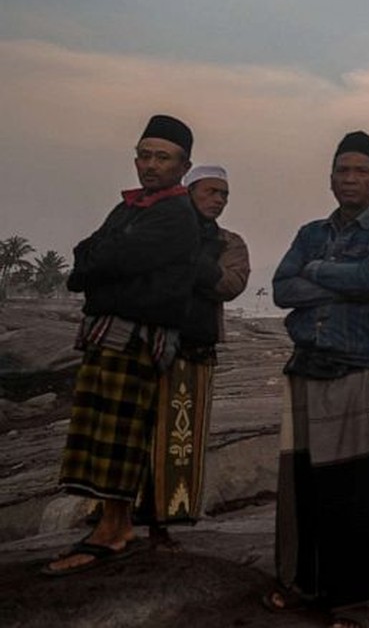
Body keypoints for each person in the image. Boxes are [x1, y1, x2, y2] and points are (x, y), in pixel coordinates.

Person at [264, 131, 369, 628]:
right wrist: (346, 282)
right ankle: (305, 582)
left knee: (356, 486)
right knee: (304, 484)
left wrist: (320, 274)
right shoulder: (310, 232)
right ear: (330, 178)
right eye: (342, 171)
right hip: (307, 365)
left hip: (358, 364)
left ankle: (352, 598)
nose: (350, 179)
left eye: (360, 171)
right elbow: (282, 288)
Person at [45, 115, 200, 576]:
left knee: (119, 436)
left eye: (162, 157)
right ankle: (111, 523)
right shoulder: (129, 208)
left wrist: (99, 277)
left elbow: (112, 261)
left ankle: (115, 530)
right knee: (99, 434)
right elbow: (85, 255)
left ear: (183, 165)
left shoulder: (176, 214)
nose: (150, 165)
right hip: (110, 338)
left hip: (135, 342)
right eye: (144, 155)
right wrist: (99, 270)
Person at [138, 164, 250, 548]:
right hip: (145, 345)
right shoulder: (159, 227)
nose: (218, 200)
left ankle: (164, 523)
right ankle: (118, 517)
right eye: (211, 192)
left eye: (224, 195)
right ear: (189, 191)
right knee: (137, 432)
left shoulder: (229, 242)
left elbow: (231, 283)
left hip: (195, 350)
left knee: (180, 438)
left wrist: (186, 260)